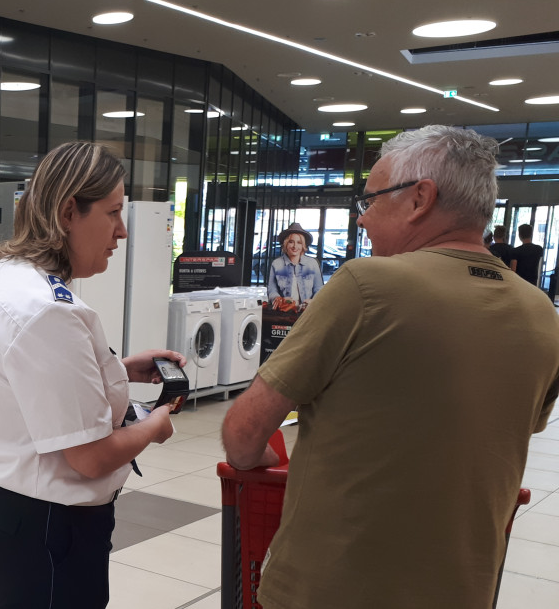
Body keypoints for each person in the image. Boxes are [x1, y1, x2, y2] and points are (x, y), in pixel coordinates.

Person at [221, 125, 559, 609]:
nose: (361, 219)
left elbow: (243, 434)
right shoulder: (541, 312)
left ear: (420, 198)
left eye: (371, 200)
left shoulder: (366, 284)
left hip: (331, 589)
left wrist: (255, 457)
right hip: (464, 590)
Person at [0, 142, 186, 608]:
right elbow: (90, 458)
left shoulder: (9, 278)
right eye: (113, 212)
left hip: (6, 510)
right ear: (68, 212)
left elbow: (30, 386)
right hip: (48, 526)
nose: (122, 230)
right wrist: (154, 424)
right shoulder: (48, 311)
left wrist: (120, 369)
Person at [266, 222, 324, 307]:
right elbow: (272, 289)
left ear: (303, 245)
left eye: (299, 242)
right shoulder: (276, 264)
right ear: (286, 244)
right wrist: (279, 299)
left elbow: (319, 289)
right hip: (284, 310)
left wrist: (313, 301)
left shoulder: (312, 263)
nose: (295, 246)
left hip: (307, 310)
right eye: (291, 242)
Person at [510, 222, 544, 287]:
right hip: (533, 282)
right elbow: (539, 267)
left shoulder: (516, 251)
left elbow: (513, 270)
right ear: (531, 234)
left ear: (520, 235)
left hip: (519, 282)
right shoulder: (539, 249)